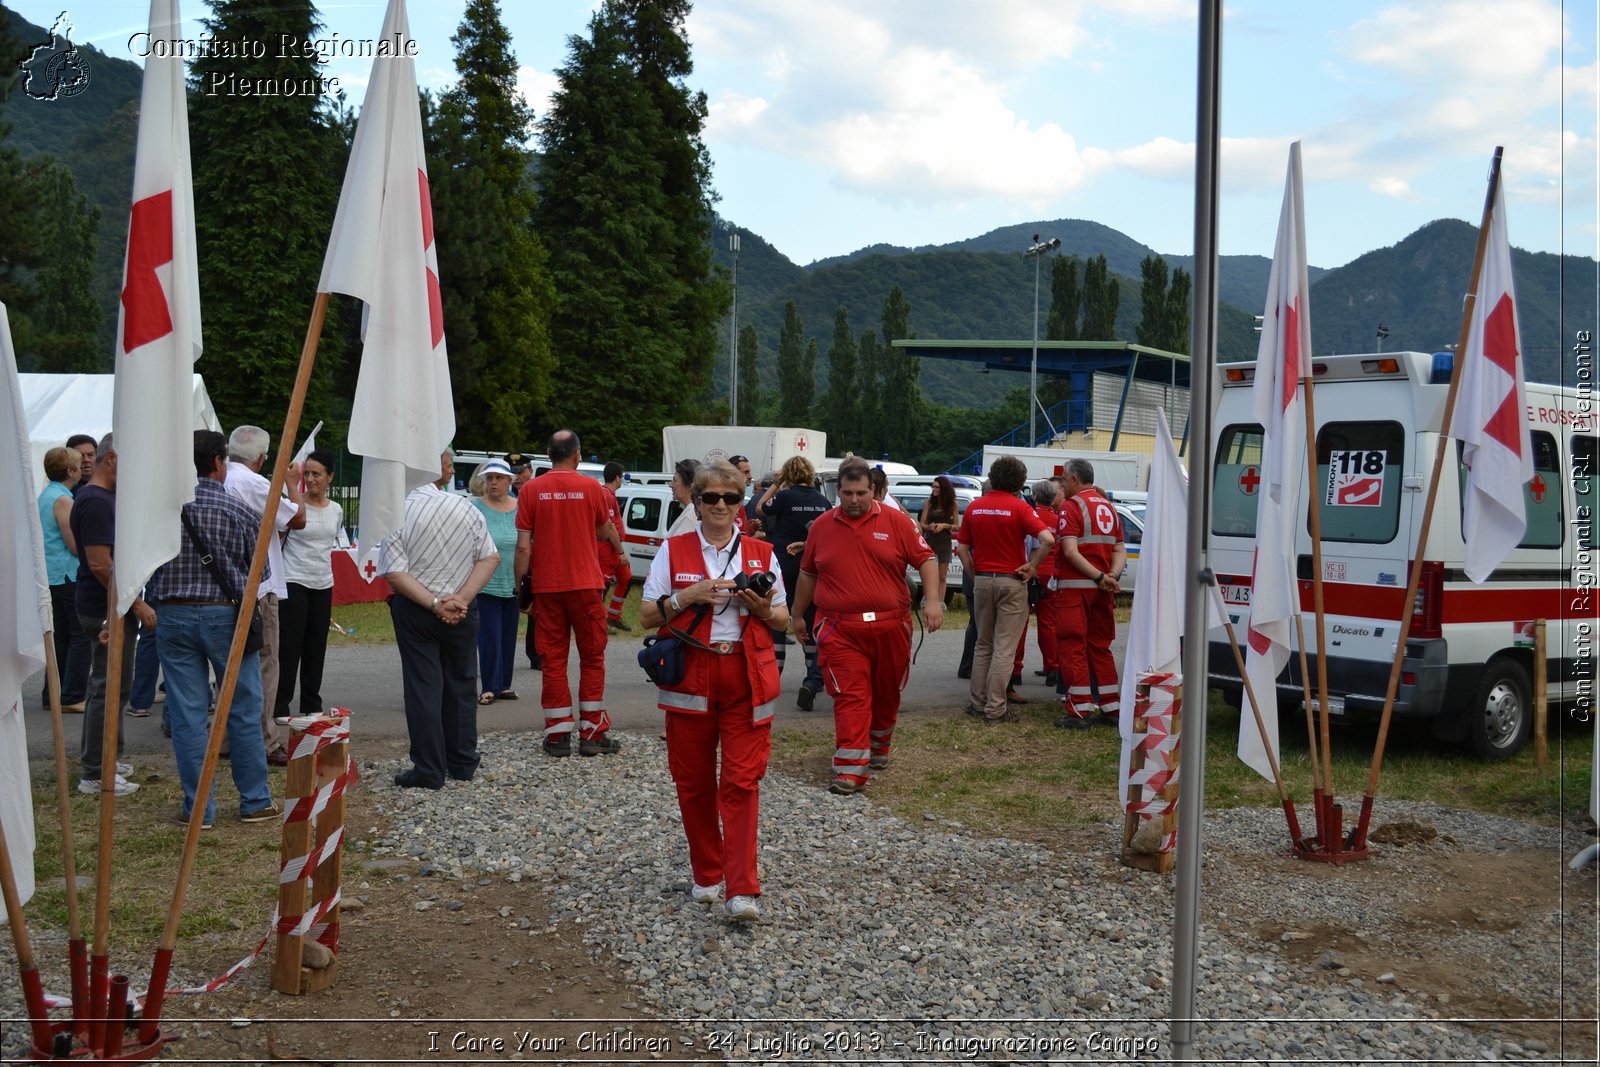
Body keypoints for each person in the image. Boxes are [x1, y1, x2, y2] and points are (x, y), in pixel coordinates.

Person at [639, 459, 788, 923]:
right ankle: (707, 872)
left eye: (731, 497)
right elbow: (645, 616)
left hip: (746, 674)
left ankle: (742, 889)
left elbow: (783, 620)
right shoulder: (674, 549)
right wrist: (690, 595)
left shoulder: (762, 553)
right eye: (711, 498)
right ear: (697, 502)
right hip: (691, 674)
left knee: (741, 783)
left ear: (741, 502)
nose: (721, 505)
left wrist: (761, 608)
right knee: (694, 784)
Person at [148, 430, 280, 825]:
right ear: (220, 462)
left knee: (187, 714)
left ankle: (198, 808)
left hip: (171, 614)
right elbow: (261, 573)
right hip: (226, 615)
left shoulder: (164, 511)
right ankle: (255, 800)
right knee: (243, 707)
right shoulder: (238, 511)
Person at [791, 457, 942, 794]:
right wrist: (798, 614)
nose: (854, 500)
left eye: (860, 493)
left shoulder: (897, 523)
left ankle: (878, 746)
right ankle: (850, 768)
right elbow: (807, 574)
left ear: (873, 490)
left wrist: (933, 601)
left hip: (891, 627)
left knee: (886, 692)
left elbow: (927, 560)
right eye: (847, 493)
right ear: (837, 491)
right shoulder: (821, 527)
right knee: (851, 696)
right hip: (840, 630)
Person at [380, 451, 501, 788]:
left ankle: (429, 769)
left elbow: (395, 572)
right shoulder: (464, 506)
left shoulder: (398, 511)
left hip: (418, 609)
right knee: (462, 684)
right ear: (437, 473)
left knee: (423, 687)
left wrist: (435, 603)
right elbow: (490, 557)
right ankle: (462, 761)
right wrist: (461, 598)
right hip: (462, 607)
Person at [515, 430, 625, 758]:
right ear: (577, 455)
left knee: (553, 660)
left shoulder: (531, 490)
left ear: (548, 454)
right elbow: (604, 530)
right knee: (592, 657)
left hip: (547, 588)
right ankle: (592, 732)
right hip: (587, 586)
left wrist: (520, 589)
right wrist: (620, 554)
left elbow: (523, 548)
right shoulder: (593, 488)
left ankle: (558, 734)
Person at [70, 433, 148, 796]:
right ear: (113, 459)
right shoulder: (96, 501)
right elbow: (101, 565)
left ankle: (106, 758)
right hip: (105, 608)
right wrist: (136, 603)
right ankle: (94, 771)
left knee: (118, 687)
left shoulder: (103, 498)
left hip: (111, 605)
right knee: (107, 687)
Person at [224, 425, 306, 766]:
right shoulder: (254, 483)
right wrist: (290, 484)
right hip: (259, 585)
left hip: (227, 584)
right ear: (261, 458)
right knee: (265, 665)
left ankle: (230, 736)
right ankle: (266, 740)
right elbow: (298, 519)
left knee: (230, 666)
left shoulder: (220, 478)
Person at [955, 455, 1053, 723]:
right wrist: (1032, 566)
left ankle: (977, 702)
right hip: (1012, 580)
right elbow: (1047, 539)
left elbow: (962, 548)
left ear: (993, 476)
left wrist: (974, 572)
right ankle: (996, 708)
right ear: (1020, 482)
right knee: (1004, 647)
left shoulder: (975, 507)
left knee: (982, 644)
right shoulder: (1020, 508)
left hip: (984, 580)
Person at [1053, 458, 1127, 730]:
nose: (1062, 483)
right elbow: (1119, 549)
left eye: (1064, 478)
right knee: (1100, 646)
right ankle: (1111, 706)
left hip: (1076, 589)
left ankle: (1080, 709)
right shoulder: (1109, 507)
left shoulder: (1071, 507)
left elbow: (1070, 552)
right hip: (1102, 589)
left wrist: (1097, 576)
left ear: (1074, 479)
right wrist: (1111, 577)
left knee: (1073, 645)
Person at [754, 454, 830, 709]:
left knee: (778, 616)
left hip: (783, 561)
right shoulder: (822, 500)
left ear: (789, 475)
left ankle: (772, 677)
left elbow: (760, 508)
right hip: (812, 564)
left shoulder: (785, 496)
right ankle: (812, 679)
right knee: (809, 619)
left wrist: (777, 483)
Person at [277, 449, 344, 719]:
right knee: (290, 645)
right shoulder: (293, 504)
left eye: (316, 474)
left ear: (330, 477)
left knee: (316, 645)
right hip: (294, 579)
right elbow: (278, 541)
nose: (311, 479)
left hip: (323, 583)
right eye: (307, 474)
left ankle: (311, 704)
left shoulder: (336, 509)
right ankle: (280, 705)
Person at [38, 446, 89, 712]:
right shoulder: (63, 500)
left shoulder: (46, 495)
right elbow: (72, 543)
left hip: (52, 574)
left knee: (61, 636)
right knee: (80, 634)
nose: (82, 469)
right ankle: (72, 695)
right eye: (79, 465)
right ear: (69, 471)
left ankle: (53, 694)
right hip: (68, 573)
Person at [469, 458, 520, 704]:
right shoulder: (475, 507)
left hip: (513, 582)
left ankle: (504, 684)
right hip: (485, 582)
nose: (493, 483)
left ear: (510, 481)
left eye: (499, 478)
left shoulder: (520, 507)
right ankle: (490, 686)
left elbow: (527, 543)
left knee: (508, 636)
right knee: (489, 636)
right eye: (489, 478)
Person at [1025, 479, 1062, 688]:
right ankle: (1053, 666)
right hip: (1051, 577)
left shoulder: (1030, 515)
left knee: (1020, 622)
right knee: (1048, 623)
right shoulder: (1057, 519)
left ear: (1035, 496)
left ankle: (1016, 670)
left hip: (1030, 572)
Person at [598, 462, 634, 630]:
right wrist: (620, 552)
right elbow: (609, 527)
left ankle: (613, 616)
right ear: (617, 477)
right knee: (603, 586)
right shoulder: (606, 496)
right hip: (607, 549)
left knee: (626, 578)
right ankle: (598, 621)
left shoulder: (609, 495)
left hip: (614, 548)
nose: (623, 480)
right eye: (622, 476)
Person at [918, 475, 959, 605]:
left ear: (943, 489)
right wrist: (929, 527)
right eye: (933, 486)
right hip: (930, 541)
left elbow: (957, 526)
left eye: (937, 487)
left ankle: (940, 603)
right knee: (929, 574)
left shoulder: (952, 504)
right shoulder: (929, 503)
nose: (933, 489)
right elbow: (922, 524)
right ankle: (929, 600)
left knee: (942, 575)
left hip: (944, 542)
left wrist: (944, 526)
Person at [666, 457, 700, 538]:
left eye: (674, 480)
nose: (670, 485)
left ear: (690, 486)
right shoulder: (693, 512)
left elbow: (676, 549)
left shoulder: (691, 517)